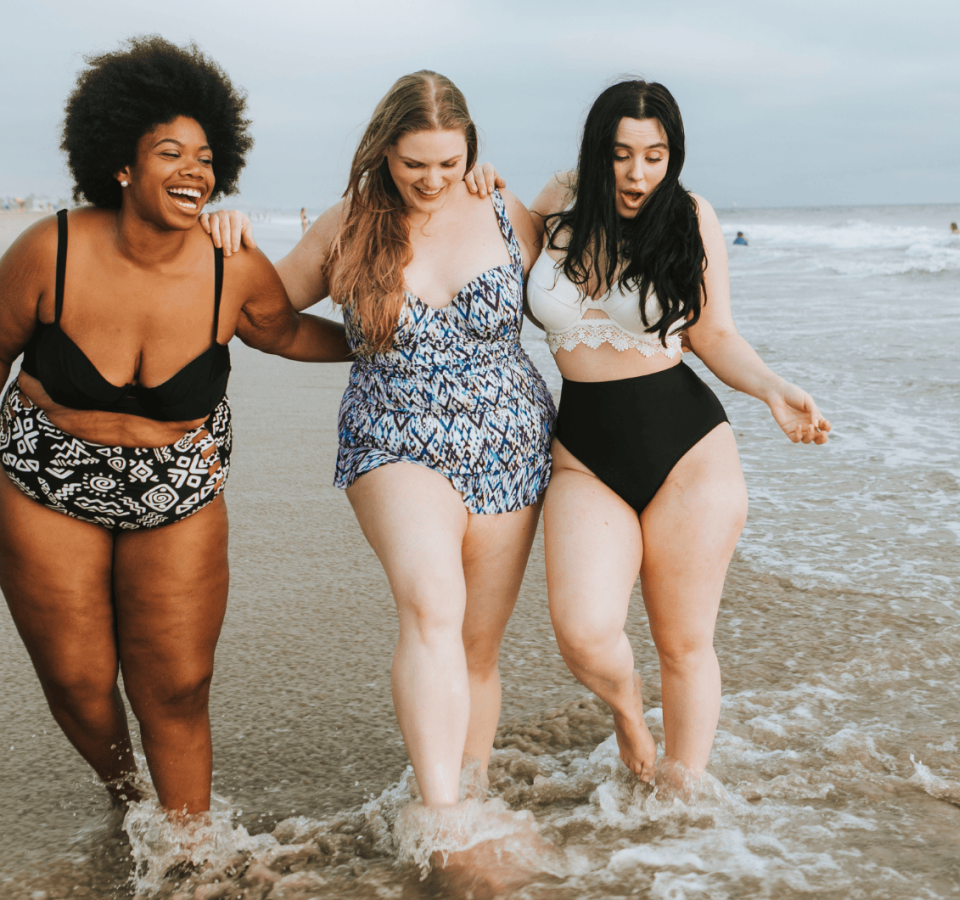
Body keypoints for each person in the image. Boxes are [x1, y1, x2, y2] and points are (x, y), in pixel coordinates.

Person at [0, 36, 349, 819]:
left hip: (176, 488)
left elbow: (287, 332)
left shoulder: (231, 267)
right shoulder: (47, 251)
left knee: (179, 685)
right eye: (170, 152)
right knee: (78, 684)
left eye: (205, 156)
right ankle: (131, 800)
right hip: (44, 481)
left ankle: (190, 851)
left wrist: (383, 339)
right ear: (121, 165)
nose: (195, 170)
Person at [209, 71, 554, 814]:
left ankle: (475, 791)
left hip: (512, 441)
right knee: (431, 604)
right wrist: (230, 238)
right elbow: (264, 312)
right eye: (413, 163)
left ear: (470, 153)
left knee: (476, 649)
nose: (432, 180)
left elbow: (588, 269)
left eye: (448, 162)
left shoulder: (503, 209)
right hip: (391, 435)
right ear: (383, 152)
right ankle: (443, 823)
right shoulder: (349, 223)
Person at [526, 80, 830, 790]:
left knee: (684, 644)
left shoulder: (690, 216)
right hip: (583, 457)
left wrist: (771, 389)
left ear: (674, 155)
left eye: (655, 156)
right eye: (622, 155)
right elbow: (477, 232)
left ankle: (683, 799)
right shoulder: (558, 206)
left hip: (687, 451)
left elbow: (714, 332)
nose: (637, 174)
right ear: (597, 152)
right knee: (584, 630)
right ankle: (630, 714)